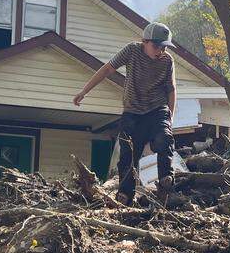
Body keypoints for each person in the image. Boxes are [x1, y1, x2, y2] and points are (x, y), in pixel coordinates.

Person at [73, 22, 177, 206]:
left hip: (157, 109)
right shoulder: (131, 51)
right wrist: (84, 91)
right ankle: (125, 195)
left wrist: (170, 118)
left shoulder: (167, 61)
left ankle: (165, 182)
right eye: (156, 46)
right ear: (145, 41)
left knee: (164, 138)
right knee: (128, 154)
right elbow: (107, 69)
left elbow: (171, 90)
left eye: (164, 47)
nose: (160, 51)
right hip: (132, 111)